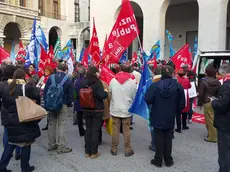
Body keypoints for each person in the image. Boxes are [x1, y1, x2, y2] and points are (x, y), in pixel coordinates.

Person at [0, 68, 41, 172]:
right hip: (24, 117)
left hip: (11, 118)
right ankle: (25, 168)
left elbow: (4, 104)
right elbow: (37, 96)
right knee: (26, 144)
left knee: (11, 143)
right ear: (24, 76)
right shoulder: (26, 87)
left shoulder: (6, 88)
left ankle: (2, 166)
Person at [145, 65, 185, 168]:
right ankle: (168, 160)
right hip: (170, 115)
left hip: (157, 114)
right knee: (168, 137)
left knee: (159, 137)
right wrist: (175, 111)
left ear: (161, 74)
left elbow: (148, 99)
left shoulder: (155, 85)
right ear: (172, 74)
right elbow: (182, 103)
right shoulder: (178, 86)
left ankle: (158, 159)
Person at [44, 63, 74, 154]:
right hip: (62, 104)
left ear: (57, 68)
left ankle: (52, 145)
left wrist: (47, 103)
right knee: (61, 125)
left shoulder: (51, 78)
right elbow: (71, 94)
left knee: (52, 124)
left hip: (51, 104)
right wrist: (67, 104)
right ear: (65, 70)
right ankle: (61, 147)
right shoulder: (68, 80)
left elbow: (45, 91)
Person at [109, 64, 136, 157]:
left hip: (115, 108)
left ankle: (114, 148)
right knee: (127, 130)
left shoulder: (113, 81)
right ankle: (127, 149)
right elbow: (134, 97)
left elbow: (110, 93)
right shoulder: (132, 82)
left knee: (115, 129)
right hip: (127, 109)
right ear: (129, 71)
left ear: (120, 69)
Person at [81, 66, 108, 159]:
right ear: (95, 73)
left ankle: (87, 151)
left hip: (86, 108)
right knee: (95, 130)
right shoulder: (97, 82)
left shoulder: (84, 82)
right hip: (97, 109)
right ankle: (94, 152)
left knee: (88, 130)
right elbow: (102, 96)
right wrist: (106, 92)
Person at [0, 65, 21, 161]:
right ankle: (18, 152)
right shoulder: (14, 84)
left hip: (4, 110)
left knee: (7, 131)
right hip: (15, 109)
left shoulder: (1, 84)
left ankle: (7, 152)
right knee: (18, 132)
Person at [211, 64, 230, 172]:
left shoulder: (226, 86)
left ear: (223, 73)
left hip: (225, 123)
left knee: (224, 151)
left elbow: (222, 105)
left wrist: (214, 102)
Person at [198, 65, 221, 143]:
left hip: (206, 101)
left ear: (206, 72)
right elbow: (219, 93)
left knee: (209, 120)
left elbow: (201, 94)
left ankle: (212, 137)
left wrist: (199, 103)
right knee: (214, 118)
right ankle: (213, 134)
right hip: (215, 100)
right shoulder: (217, 81)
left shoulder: (203, 81)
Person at [148, 67, 162, 152]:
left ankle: (154, 145)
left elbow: (148, 98)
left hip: (154, 108)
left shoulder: (152, 83)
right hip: (166, 110)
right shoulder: (171, 83)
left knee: (153, 127)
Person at [37, 66, 53, 131]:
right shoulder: (43, 77)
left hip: (49, 95)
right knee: (45, 110)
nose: (45, 72)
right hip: (43, 95)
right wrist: (40, 85)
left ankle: (50, 124)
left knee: (49, 111)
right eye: (45, 71)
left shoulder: (52, 77)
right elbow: (38, 84)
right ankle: (48, 123)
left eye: (47, 71)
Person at [74, 66, 86, 136]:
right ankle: (87, 130)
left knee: (79, 117)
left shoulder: (76, 81)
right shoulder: (86, 80)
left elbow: (74, 92)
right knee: (87, 117)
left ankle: (81, 130)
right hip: (85, 101)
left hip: (78, 101)